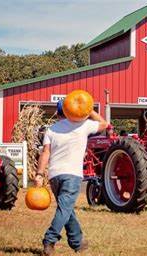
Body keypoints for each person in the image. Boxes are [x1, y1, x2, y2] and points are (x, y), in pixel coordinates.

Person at [34, 100, 108, 255]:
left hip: (55, 176)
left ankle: (77, 242)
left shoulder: (52, 129)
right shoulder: (83, 125)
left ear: (58, 112)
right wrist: (89, 110)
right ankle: (49, 239)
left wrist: (40, 173)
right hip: (72, 175)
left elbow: (45, 153)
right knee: (64, 208)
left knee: (66, 209)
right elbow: (104, 124)